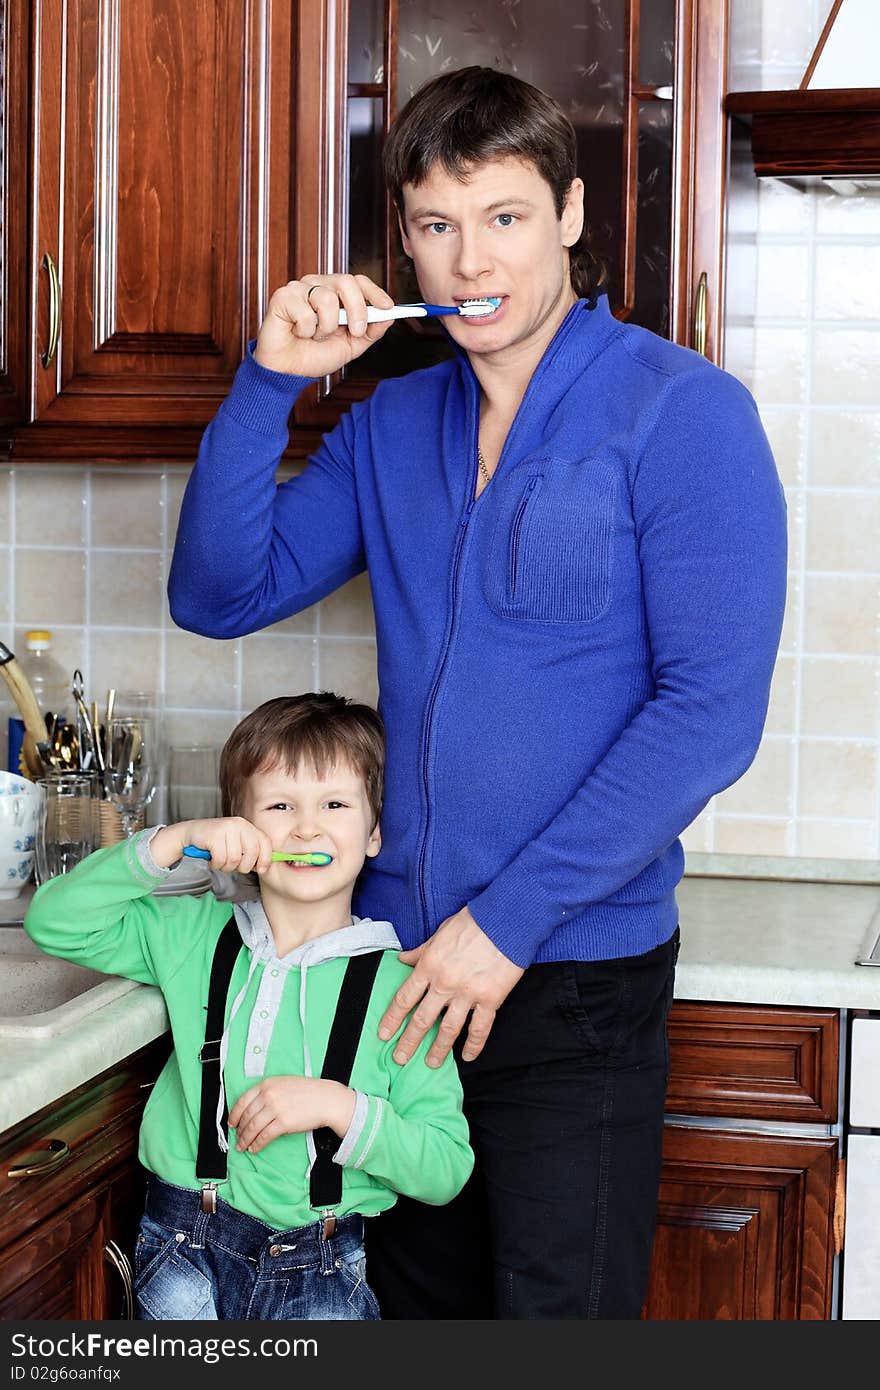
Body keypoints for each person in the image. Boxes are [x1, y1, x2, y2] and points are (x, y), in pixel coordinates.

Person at [167, 67, 788, 1319]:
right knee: (412, 1314)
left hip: (570, 975)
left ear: (568, 214)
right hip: (393, 980)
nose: (466, 262)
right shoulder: (392, 424)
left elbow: (708, 713)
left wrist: (507, 924)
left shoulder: (683, 415)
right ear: (400, 238)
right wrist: (269, 383)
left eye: (502, 217)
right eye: (436, 226)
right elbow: (217, 595)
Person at [24, 692, 473, 1322]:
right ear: (239, 827)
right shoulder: (192, 937)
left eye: (335, 805)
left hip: (319, 1275)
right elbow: (54, 922)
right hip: (180, 1255)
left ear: (374, 834)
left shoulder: (399, 987)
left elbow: (446, 1167)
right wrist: (175, 840)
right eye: (280, 805)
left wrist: (339, 1108)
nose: (307, 828)